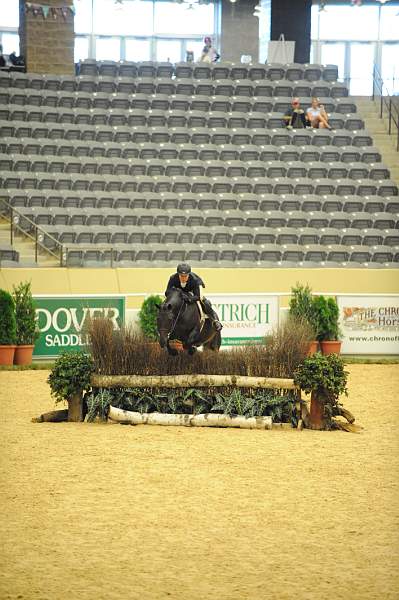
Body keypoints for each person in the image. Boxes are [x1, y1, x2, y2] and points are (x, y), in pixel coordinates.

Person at [165, 263, 223, 331]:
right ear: (178, 274)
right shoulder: (173, 278)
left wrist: (189, 299)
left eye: (185, 276)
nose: (183, 278)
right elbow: (167, 292)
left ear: (188, 275)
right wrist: (176, 292)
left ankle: (215, 321)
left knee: (205, 302)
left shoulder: (195, 280)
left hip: (193, 292)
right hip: (180, 293)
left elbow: (198, 296)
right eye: (181, 276)